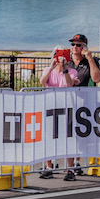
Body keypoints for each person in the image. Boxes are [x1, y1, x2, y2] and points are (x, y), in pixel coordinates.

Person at [37, 45, 82, 180]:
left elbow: (69, 84)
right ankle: (49, 167)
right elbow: (42, 81)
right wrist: (51, 67)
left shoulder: (72, 71)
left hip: (66, 107)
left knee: (68, 138)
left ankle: (70, 169)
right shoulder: (48, 70)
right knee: (49, 137)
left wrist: (65, 69)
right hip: (50, 107)